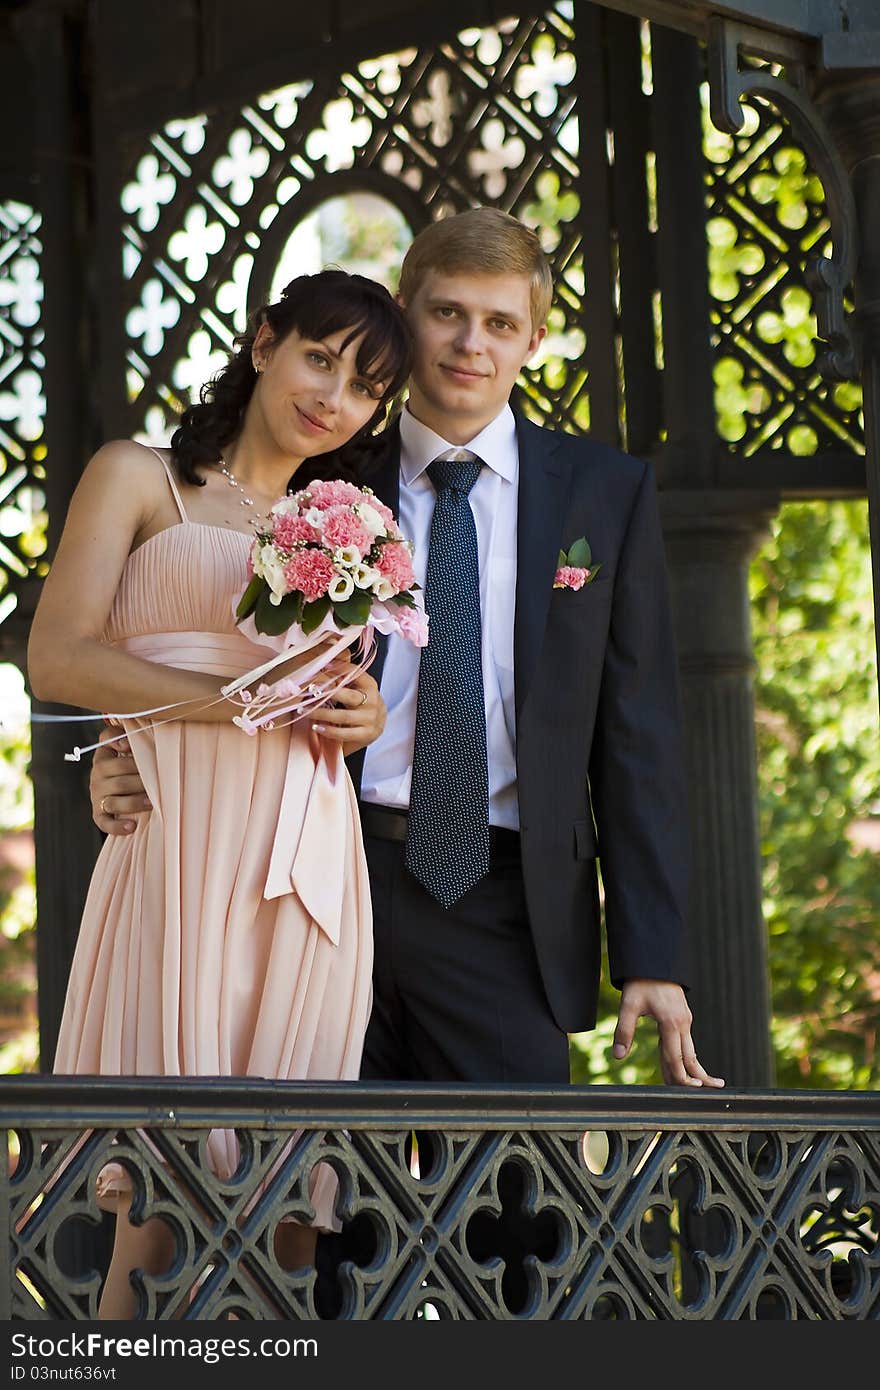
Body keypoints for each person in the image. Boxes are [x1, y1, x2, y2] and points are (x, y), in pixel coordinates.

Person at [89, 209, 725, 1307]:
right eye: (445, 313)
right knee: (317, 1232)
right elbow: (180, 606)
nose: (469, 344)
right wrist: (120, 749)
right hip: (309, 881)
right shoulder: (321, 464)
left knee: (525, 1236)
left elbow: (640, 735)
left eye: (499, 322)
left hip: (506, 903)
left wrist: (654, 954)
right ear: (411, 316)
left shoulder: (600, 495)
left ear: (534, 338)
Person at [27, 268, 413, 1319]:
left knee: (293, 1214)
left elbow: (346, 690)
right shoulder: (136, 474)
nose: (335, 395)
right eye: (320, 357)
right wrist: (223, 703)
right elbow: (56, 659)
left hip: (307, 860)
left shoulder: (358, 528)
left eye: (366, 387)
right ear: (263, 344)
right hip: (179, 844)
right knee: (156, 1210)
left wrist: (361, 715)